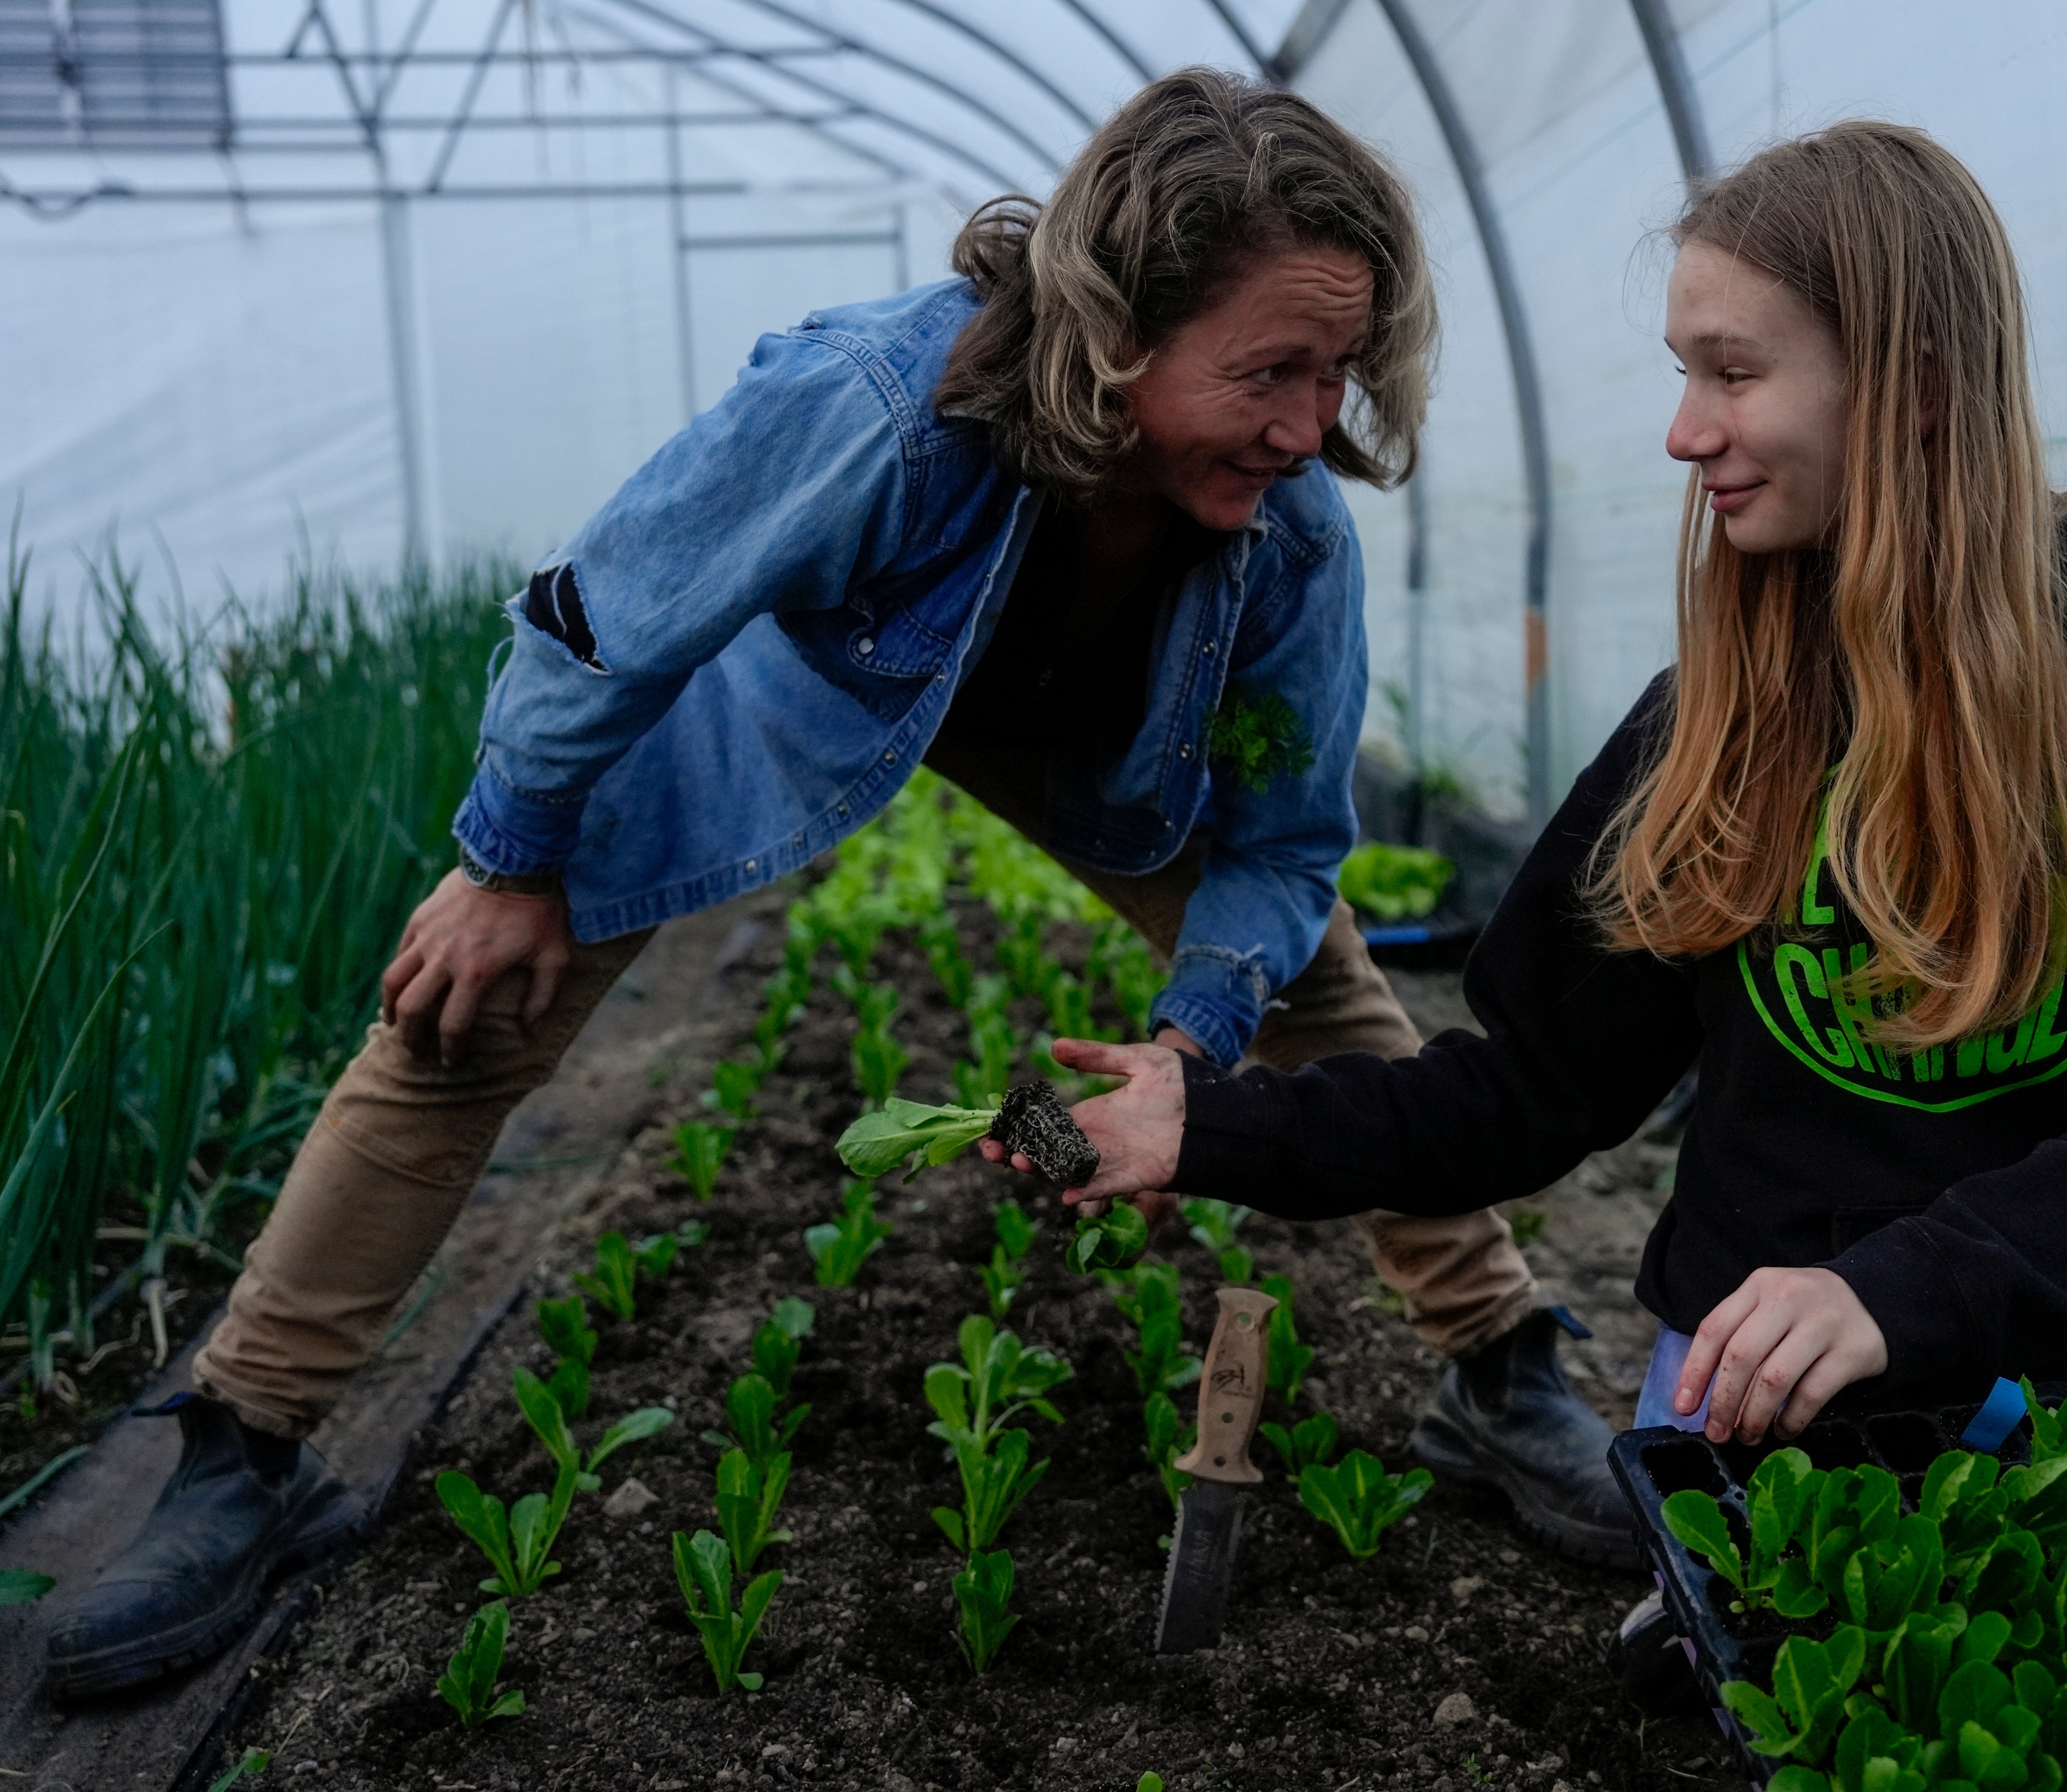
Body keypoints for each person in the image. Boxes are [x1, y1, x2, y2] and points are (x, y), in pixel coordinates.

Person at [46, 70, 1633, 1703]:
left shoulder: (1286, 534)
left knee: (1317, 984)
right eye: (1267, 373)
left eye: (1339, 372)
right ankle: (247, 1449)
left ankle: (1502, 1373)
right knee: (464, 1008)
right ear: (1116, 332)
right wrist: (507, 861)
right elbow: (611, 612)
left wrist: (1195, 1046)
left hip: (1098, 749)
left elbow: (1288, 838)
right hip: (818, 694)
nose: (1312, 428)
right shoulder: (875, 402)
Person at [1014, 120, 2067, 1482]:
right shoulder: (1715, 721)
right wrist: (1205, 1124)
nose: (1684, 432)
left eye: (1735, 372)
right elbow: (1531, 1091)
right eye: (1682, 372)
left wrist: (1891, 1294)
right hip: (1754, 1422)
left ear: (1917, 382)